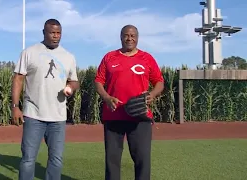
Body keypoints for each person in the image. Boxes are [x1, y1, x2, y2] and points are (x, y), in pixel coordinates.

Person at [11, 18, 79, 180]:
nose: (56, 36)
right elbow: (18, 79)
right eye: (52, 32)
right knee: (28, 159)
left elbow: (74, 81)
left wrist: (71, 88)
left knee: (56, 159)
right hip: (33, 115)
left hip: (58, 117)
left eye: (58, 33)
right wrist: (15, 106)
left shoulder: (68, 56)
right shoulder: (29, 52)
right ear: (44, 32)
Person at [94, 24, 164, 180]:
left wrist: (152, 94)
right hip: (114, 115)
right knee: (112, 161)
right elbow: (98, 81)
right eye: (126, 35)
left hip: (139, 116)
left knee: (142, 160)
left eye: (133, 36)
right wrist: (106, 97)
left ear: (137, 38)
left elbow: (159, 82)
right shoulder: (109, 57)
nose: (129, 38)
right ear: (121, 37)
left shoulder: (147, 58)